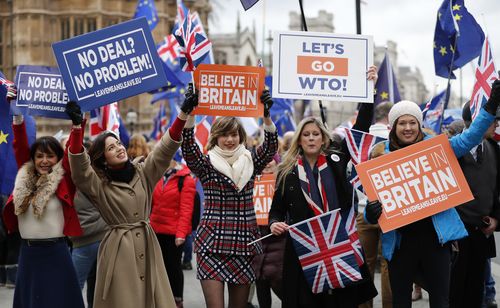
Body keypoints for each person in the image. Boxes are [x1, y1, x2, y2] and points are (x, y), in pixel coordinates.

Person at [365, 80, 500, 308]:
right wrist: (371, 212)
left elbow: (472, 136)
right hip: (400, 245)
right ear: (393, 127)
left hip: (435, 243)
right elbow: (372, 213)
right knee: (400, 302)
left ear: (419, 125)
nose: (408, 128)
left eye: (412, 123)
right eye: (402, 123)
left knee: (441, 301)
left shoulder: (439, 148)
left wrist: (492, 103)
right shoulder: (379, 159)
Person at [65, 88, 198, 308]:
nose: (118, 148)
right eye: (110, 147)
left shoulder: (143, 172)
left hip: (148, 244)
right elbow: (80, 169)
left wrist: (183, 113)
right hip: (118, 251)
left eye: (118, 143)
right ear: (103, 159)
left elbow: (164, 150)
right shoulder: (99, 185)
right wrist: (78, 128)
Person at [268, 67, 379, 308]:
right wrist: (274, 222)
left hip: (338, 244)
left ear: (323, 138)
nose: (310, 138)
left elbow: (360, 128)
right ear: (299, 139)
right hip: (304, 249)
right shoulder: (287, 173)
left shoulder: (337, 161)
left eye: (315, 134)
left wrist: (369, 91)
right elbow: (275, 210)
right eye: (306, 134)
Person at [181, 90, 278, 308]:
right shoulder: (205, 163)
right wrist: (189, 113)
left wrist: (266, 114)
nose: (230, 139)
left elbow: (271, 146)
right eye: (225, 135)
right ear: (216, 137)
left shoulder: (251, 161)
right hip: (211, 244)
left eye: (234, 134)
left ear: (241, 137)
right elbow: (187, 148)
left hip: (243, 244)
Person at [2, 113, 84, 308]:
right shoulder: (24, 178)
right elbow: (20, 146)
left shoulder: (64, 180)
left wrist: (77, 126)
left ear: (58, 158)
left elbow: (74, 151)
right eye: (39, 156)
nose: (44, 160)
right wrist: (18, 117)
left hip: (56, 254)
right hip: (29, 256)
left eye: (50, 155)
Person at [449, 101, 500, 308]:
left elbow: (497, 189)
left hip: (482, 233)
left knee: (475, 292)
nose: (496, 124)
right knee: (454, 292)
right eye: (493, 119)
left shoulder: (494, 149)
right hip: (456, 235)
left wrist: (496, 217)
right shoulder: (450, 150)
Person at [357, 101, 393, 308]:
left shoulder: (359, 138)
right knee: (388, 263)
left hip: (363, 208)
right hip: (391, 210)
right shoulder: (396, 138)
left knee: (365, 264)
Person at [151, 158, 196, 308]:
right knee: (158, 269)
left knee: (173, 268)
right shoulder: (156, 175)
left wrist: (181, 234)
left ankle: (177, 300)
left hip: (174, 234)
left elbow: (186, 209)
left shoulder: (186, 179)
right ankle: (161, 300)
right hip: (155, 231)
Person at [252, 155, 286, 308]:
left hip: (279, 240)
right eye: (263, 161)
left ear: (276, 163)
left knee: (279, 282)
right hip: (258, 240)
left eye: (270, 160)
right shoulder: (252, 183)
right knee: (260, 281)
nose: (267, 164)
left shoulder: (284, 182)